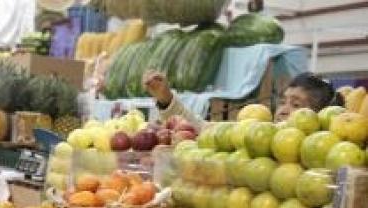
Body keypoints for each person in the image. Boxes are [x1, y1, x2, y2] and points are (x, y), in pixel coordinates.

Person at [142, 70, 344, 127]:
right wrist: (166, 99)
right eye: (283, 102)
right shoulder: (258, 132)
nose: (283, 109)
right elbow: (204, 130)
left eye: (296, 105)